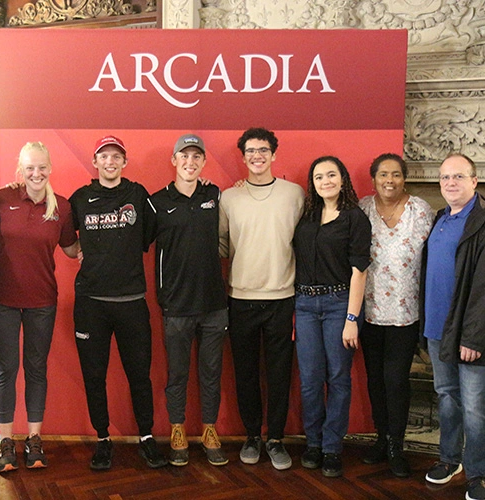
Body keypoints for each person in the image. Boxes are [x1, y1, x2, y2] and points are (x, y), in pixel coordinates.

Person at [68, 135, 167, 471]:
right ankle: (102, 440)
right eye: (103, 157)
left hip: (131, 302)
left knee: (139, 375)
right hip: (91, 304)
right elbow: (62, 233)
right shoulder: (79, 199)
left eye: (116, 157)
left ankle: (146, 438)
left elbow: (157, 226)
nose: (110, 162)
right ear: (95, 163)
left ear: (125, 162)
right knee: (94, 376)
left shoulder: (138, 195)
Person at [421, 153, 485, 500]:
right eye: (444, 177)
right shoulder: (440, 219)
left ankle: (478, 474)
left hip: (472, 335)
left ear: (475, 181)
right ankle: (450, 459)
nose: (450, 183)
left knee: (477, 407)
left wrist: (473, 337)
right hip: (436, 330)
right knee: (447, 399)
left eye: (458, 177)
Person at [0, 142, 79, 473]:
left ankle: (35, 440)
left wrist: (107, 245)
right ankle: (6, 442)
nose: (36, 174)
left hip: (42, 300)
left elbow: (71, 249)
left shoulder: (63, 208)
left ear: (50, 168)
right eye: (29, 168)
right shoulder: (2, 198)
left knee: (36, 368)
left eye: (41, 167)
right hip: (2, 300)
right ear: (19, 170)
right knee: (5, 371)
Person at [219, 127, 304, 470]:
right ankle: (252, 435)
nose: (257, 155)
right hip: (239, 298)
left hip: (282, 297)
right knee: (246, 372)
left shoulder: (294, 194)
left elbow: (305, 241)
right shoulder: (229, 197)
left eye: (263, 150)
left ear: (274, 154)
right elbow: (222, 245)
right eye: (250, 151)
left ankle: (276, 438)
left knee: (280, 373)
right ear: (243, 157)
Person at [148, 134, 228, 467]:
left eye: (197, 157)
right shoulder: (156, 202)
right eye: (184, 156)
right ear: (174, 160)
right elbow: (131, 240)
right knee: (177, 374)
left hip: (213, 304)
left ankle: (209, 430)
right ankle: (177, 429)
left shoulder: (216, 195)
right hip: (176, 306)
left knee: (211, 373)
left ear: (203, 162)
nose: (190, 162)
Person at [293, 155, 371, 478]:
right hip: (305, 305)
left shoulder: (355, 218)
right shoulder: (307, 216)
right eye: (319, 177)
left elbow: (359, 272)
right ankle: (313, 442)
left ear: (343, 179)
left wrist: (352, 318)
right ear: (312, 183)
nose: (325, 181)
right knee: (310, 379)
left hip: (341, 304)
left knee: (338, 378)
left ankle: (332, 447)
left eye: (331, 175)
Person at [358, 153, 433, 477]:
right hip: (369, 312)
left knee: (396, 381)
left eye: (396, 175)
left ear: (405, 179)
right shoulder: (362, 209)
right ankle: (380, 439)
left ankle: (396, 446)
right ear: (374, 178)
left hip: (405, 314)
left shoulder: (420, 210)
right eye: (383, 174)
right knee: (374, 380)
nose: (390, 180)